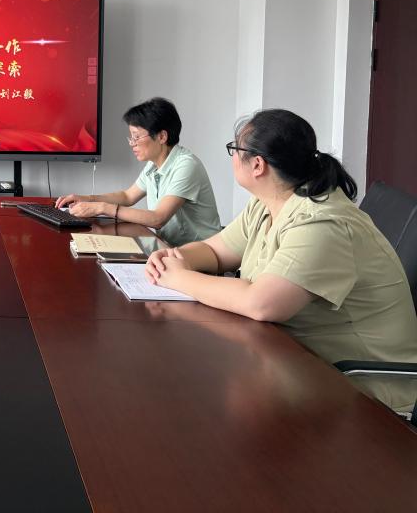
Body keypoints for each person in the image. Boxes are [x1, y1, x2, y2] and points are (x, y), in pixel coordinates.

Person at [146, 108, 417, 414]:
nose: (232, 157)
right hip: (297, 362)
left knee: (206, 401)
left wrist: (179, 277)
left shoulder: (322, 223)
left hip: (365, 392)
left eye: (234, 150)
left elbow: (262, 304)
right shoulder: (267, 203)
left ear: (257, 165)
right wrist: (174, 257)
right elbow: (217, 251)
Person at [55, 97, 221, 246]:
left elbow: (158, 218)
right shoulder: (154, 164)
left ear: (162, 137)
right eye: (131, 137)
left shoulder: (186, 166)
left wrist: (102, 208)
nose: (132, 143)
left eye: (136, 137)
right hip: (170, 248)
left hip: (203, 255)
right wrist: (87, 199)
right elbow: (127, 196)